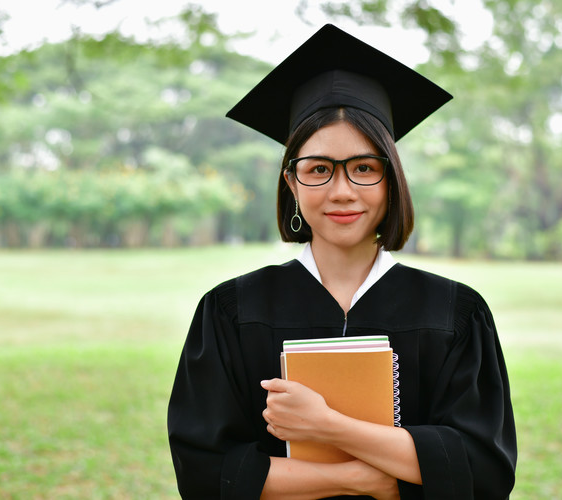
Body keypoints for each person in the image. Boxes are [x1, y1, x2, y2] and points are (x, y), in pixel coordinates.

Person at [167, 24, 517, 499]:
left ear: (391, 179)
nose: (342, 191)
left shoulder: (454, 312)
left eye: (364, 168)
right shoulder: (231, 310)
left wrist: (328, 426)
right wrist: (354, 479)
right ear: (290, 183)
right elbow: (205, 473)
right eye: (318, 169)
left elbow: (484, 471)